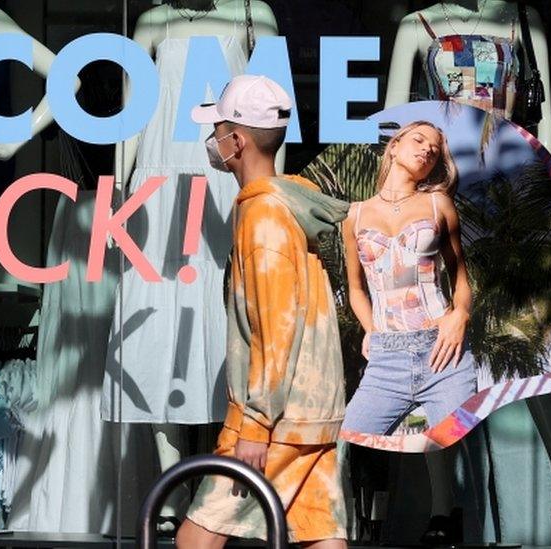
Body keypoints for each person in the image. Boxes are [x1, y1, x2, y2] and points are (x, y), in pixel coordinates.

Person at [176, 75, 349, 549]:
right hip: (311, 408)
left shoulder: (263, 217)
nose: (212, 141)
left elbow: (276, 326)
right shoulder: (287, 205)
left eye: (217, 130)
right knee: (320, 533)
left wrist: (254, 424)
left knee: (196, 538)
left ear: (238, 140)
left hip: (276, 416)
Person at [340, 121, 475, 545]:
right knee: (343, 442)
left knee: (446, 441)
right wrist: (372, 330)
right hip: (387, 354)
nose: (428, 150)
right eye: (419, 140)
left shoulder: (439, 206)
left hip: (442, 348)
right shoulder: (355, 215)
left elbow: (462, 279)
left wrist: (460, 315)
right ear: (395, 146)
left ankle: (443, 516)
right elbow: (356, 289)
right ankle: (334, 529)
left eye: (435, 149)